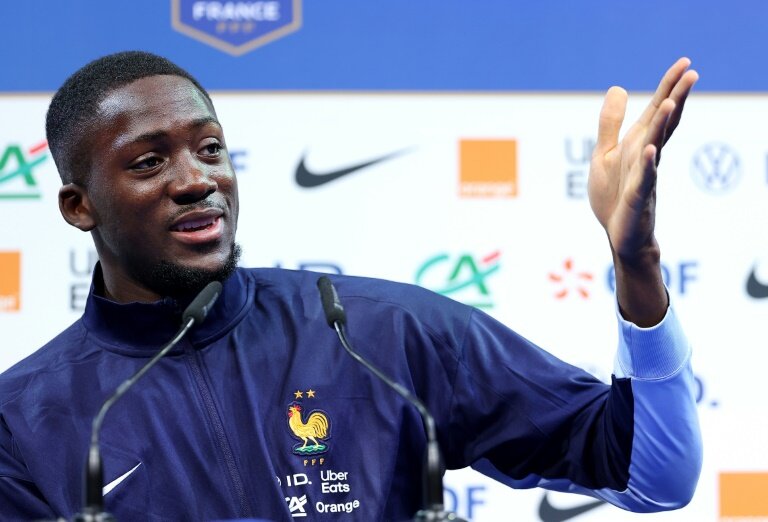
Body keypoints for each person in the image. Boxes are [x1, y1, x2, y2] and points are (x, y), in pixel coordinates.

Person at [0, 51, 701, 521]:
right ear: (79, 206)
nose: (197, 180)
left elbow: (651, 474)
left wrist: (636, 267)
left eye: (210, 148)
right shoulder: (24, 419)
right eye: (149, 162)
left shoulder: (379, 333)